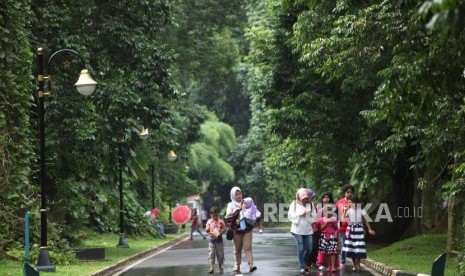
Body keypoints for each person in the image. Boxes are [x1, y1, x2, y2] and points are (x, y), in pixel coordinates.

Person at [225, 187, 261, 273]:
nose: (238, 196)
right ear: (233, 196)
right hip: (236, 230)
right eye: (236, 194)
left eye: (239, 194)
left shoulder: (246, 201)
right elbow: (227, 217)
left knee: (247, 247)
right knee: (237, 248)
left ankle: (251, 265)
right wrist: (236, 210)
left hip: (247, 228)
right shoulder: (230, 205)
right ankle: (237, 265)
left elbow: (255, 211)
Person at [342, 194, 375, 271]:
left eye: (351, 202)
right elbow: (344, 219)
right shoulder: (349, 211)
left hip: (359, 230)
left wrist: (369, 229)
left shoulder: (362, 210)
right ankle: (354, 264)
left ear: (356, 203)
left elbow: (366, 220)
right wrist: (345, 211)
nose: (349, 204)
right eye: (348, 202)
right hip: (350, 230)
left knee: (359, 247)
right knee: (352, 248)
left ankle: (358, 263)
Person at [288, 188, 316, 274]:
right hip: (297, 229)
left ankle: (304, 263)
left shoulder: (310, 204)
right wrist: (300, 214)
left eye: (306, 197)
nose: (305, 200)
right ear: (299, 196)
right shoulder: (294, 204)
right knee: (301, 248)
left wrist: (309, 215)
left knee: (309, 249)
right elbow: (290, 215)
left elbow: (314, 216)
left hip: (308, 230)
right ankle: (302, 266)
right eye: (303, 197)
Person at [316, 191, 338, 271]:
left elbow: (336, 226)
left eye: (328, 197)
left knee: (332, 251)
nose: (326, 199)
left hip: (332, 234)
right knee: (325, 251)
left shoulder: (334, 210)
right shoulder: (320, 210)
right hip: (324, 234)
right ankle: (324, 264)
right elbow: (320, 226)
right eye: (324, 197)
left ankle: (333, 266)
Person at [335, 184, 355, 270]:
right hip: (342, 227)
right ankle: (342, 262)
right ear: (344, 193)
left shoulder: (354, 202)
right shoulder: (339, 203)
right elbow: (336, 215)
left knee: (354, 245)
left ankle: (355, 263)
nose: (349, 194)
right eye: (348, 192)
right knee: (344, 245)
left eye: (351, 192)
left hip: (353, 227)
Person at [205, 206, 226, 274]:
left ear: (218, 214)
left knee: (220, 254)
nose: (215, 216)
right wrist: (208, 229)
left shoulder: (221, 221)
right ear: (210, 215)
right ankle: (211, 267)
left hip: (219, 240)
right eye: (213, 215)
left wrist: (220, 232)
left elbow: (224, 229)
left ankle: (220, 267)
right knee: (211, 254)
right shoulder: (209, 221)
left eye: (216, 215)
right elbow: (206, 229)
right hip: (211, 241)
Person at [306, 188, 319, 271]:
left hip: (315, 229)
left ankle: (313, 262)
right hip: (307, 229)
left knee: (315, 246)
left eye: (312, 197)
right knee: (308, 247)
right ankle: (307, 263)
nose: (312, 198)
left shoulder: (314, 205)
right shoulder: (303, 205)